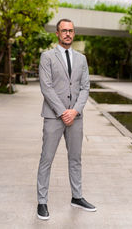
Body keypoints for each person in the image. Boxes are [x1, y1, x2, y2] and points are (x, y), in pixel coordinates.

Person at [37, 18, 96, 220]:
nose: (67, 34)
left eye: (70, 30)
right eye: (64, 31)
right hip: (54, 116)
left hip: (76, 118)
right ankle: (42, 202)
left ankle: (77, 197)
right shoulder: (47, 57)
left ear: (74, 33)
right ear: (57, 33)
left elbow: (85, 87)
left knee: (75, 159)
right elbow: (46, 87)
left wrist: (75, 111)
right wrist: (64, 111)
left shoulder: (82, 59)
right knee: (46, 159)